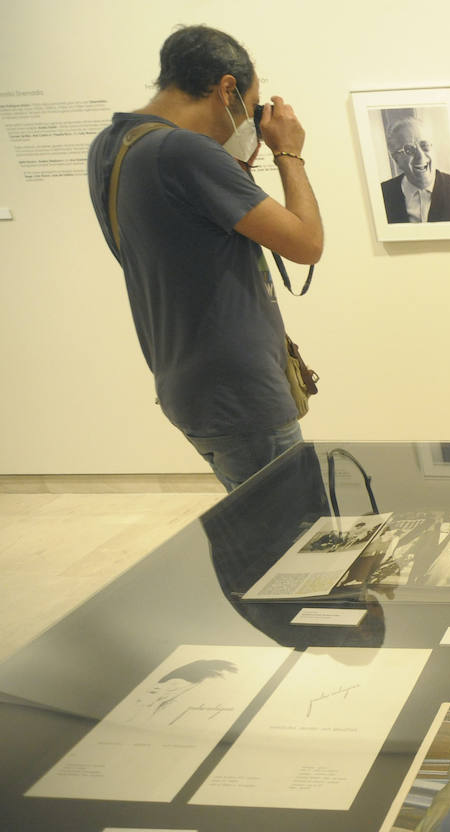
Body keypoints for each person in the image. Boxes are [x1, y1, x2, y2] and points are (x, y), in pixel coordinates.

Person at [88, 26, 323, 492]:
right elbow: (306, 244)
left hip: (188, 383)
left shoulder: (114, 144)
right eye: (251, 107)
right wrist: (288, 151)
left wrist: (235, 161)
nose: (249, 121)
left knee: (254, 527)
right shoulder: (183, 151)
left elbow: (192, 235)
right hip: (240, 394)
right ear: (227, 88)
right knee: (292, 538)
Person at [379, 116, 450, 224]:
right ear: (396, 159)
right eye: (409, 149)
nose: (420, 157)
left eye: (425, 145)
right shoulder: (382, 194)